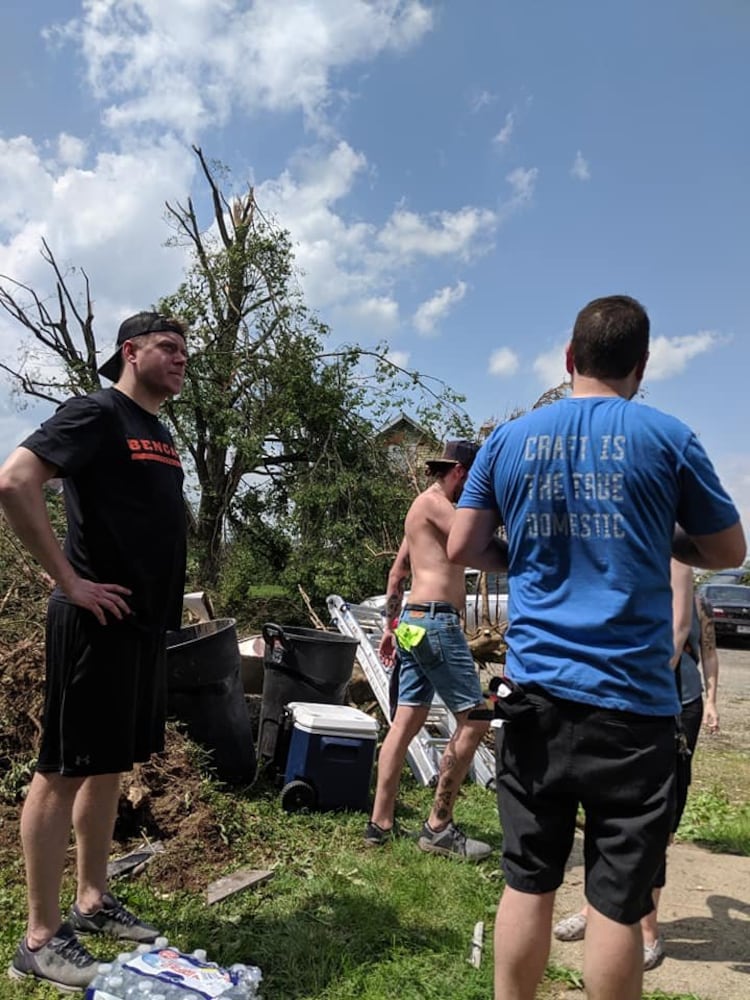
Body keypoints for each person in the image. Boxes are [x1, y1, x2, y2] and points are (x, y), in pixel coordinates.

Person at [446, 295, 745, 1000]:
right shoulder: (668, 437)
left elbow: (463, 546)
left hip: (534, 697)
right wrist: (650, 539)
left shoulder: (510, 441)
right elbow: (728, 549)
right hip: (631, 705)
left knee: (528, 881)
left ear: (569, 358)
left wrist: (528, 554)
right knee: (616, 899)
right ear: (641, 367)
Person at [0, 312, 189, 992]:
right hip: (93, 623)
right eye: (168, 347)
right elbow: (14, 480)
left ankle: (91, 897)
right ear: (129, 351)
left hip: (139, 627)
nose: (181, 359)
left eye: (185, 350)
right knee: (63, 768)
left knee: (109, 764)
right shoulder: (95, 412)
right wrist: (68, 580)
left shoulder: (158, 432)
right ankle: (40, 938)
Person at [552, 557, 721, 969]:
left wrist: (713, 700)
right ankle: (594, 909)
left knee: (656, 822)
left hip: (677, 708)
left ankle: (649, 930)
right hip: (623, 706)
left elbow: (708, 651)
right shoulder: (620, 578)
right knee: (603, 807)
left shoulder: (693, 599)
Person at [364, 439, 492, 861]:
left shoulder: (419, 513)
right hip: (435, 622)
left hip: (414, 626)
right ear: (459, 472)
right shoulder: (436, 503)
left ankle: (379, 822)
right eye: (474, 479)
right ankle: (438, 826)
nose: (474, 488)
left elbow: (396, 574)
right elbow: (476, 535)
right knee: (478, 719)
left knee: (405, 724)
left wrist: (389, 627)